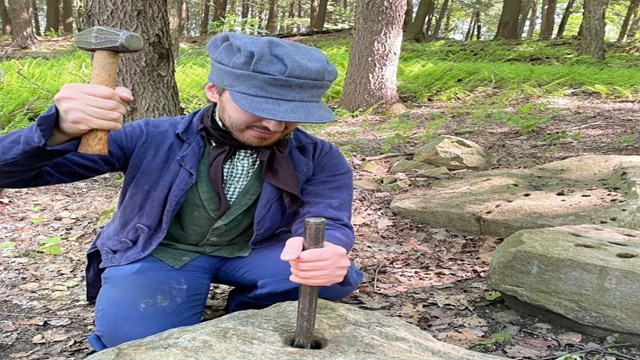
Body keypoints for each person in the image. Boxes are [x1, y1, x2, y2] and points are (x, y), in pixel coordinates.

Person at [0, 32, 363, 351]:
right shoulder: (152, 137)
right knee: (137, 343)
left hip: (253, 250)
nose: (273, 124)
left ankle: (244, 308)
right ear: (214, 90)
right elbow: (10, 171)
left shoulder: (316, 155)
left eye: (292, 112)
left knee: (336, 278)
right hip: (159, 251)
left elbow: (328, 215)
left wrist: (327, 248)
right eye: (258, 107)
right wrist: (55, 131)